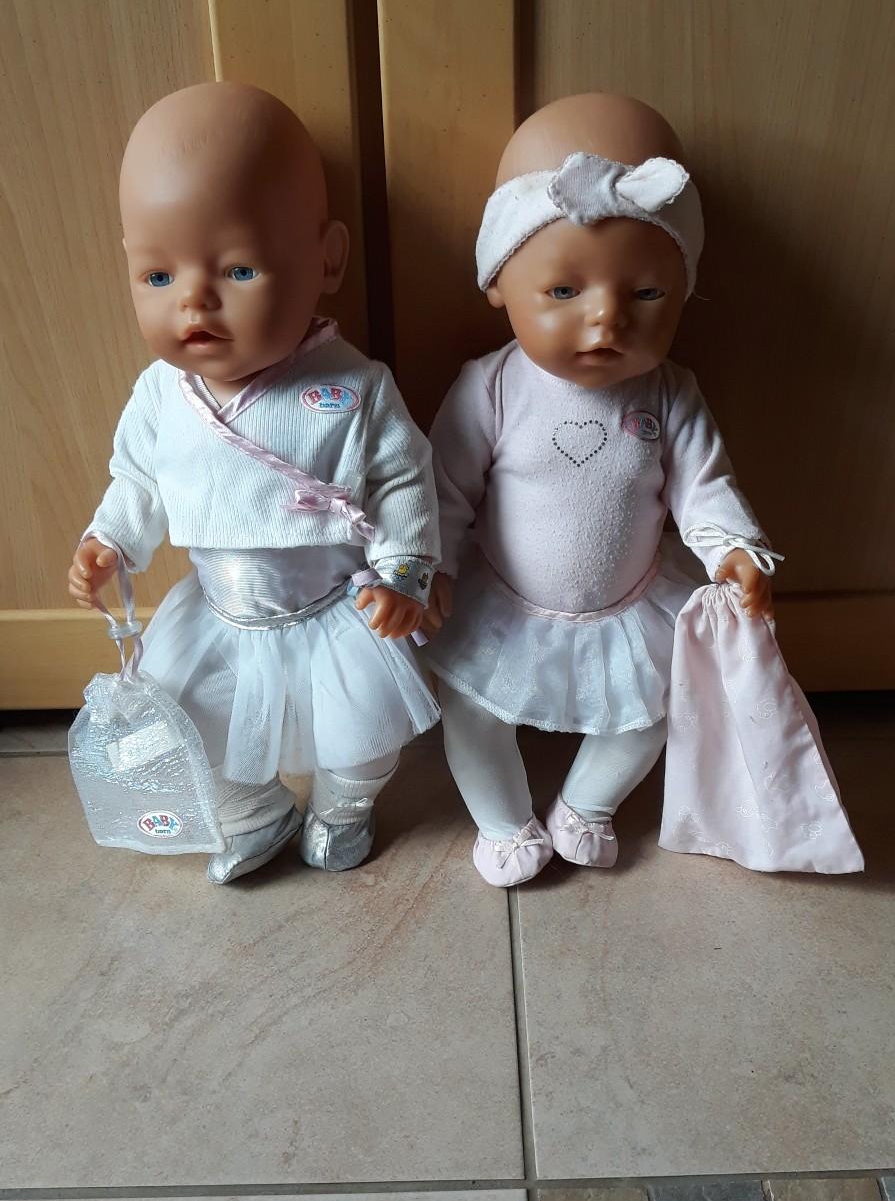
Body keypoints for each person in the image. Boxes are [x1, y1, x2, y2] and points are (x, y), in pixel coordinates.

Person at [69, 82, 439, 884]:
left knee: (360, 735)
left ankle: (342, 809)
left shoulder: (354, 386)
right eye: (157, 276)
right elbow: (138, 477)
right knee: (194, 726)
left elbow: (405, 481)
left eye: (237, 269)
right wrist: (111, 540)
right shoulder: (162, 394)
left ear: (327, 259)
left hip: (334, 608)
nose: (194, 300)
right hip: (219, 613)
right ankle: (254, 812)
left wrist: (406, 572)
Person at [423, 92, 782, 887]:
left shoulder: (670, 393)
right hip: (507, 602)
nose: (606, 320)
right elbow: (444, 487)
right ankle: (503, 821)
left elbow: (704, 484)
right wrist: (434, 565)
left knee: (655, 708)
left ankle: (587, 804)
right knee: (471, 708)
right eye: (564, 293)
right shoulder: (492, 387)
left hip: (630, 605)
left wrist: (732, 550)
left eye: (646, 295)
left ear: (682, 291)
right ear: (499, 282)